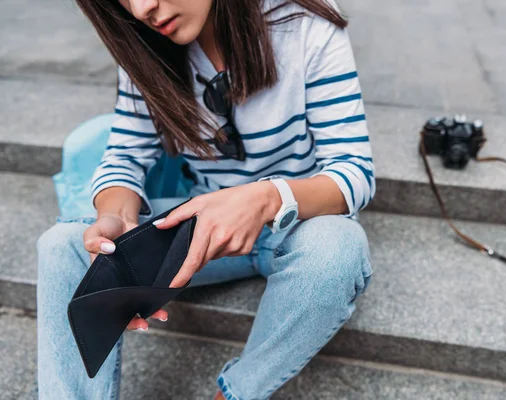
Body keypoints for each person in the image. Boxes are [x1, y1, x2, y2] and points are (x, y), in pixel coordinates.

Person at [36, 0, 375, 398]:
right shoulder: (146, 44)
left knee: (336, 251)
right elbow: (125, 156)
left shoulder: (304, 23)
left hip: (296, 224)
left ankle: (234, 394)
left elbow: (354, 170)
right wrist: (116, 218)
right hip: (196, 233)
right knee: (62, 246)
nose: (143, 8)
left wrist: (265, 199)